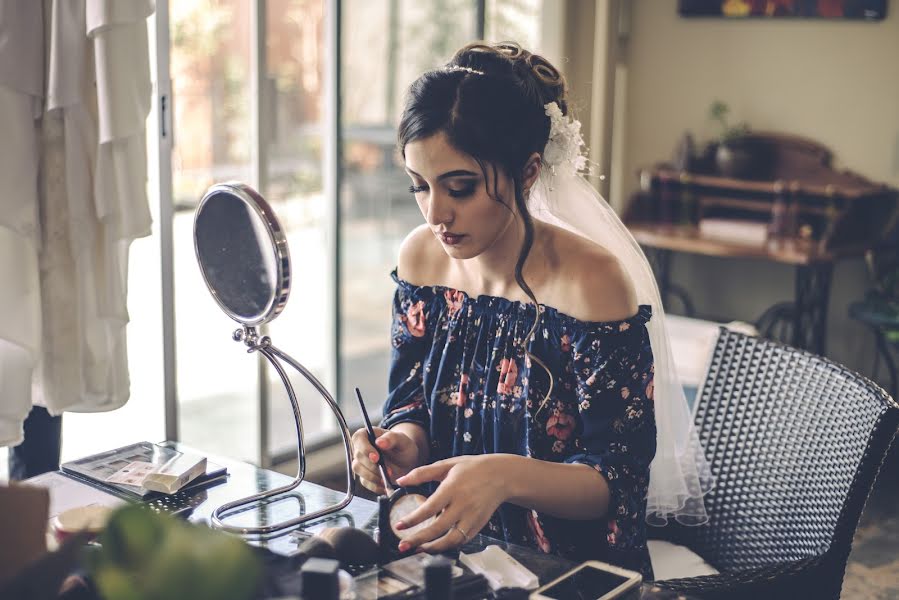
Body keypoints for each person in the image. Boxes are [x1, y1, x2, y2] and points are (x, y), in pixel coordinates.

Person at [350, 42, 711, 579]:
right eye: (419, 187)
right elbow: (412, 405)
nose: (437, 213)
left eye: (461, 187)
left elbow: (616, 482)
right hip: (448, 554)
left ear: (528, 171)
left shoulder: (592, 281)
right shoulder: (420, 258)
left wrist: (505, 476)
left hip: (569, 570)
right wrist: (400, 443)